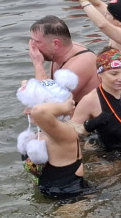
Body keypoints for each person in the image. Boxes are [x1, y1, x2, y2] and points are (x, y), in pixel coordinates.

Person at [16, 70, 89, 199]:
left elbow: (39, 112)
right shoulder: (45, 131)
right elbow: (25, 83)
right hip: (52, 196)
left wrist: (66, 107)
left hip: (72, 200)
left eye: (31, 107)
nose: (25, 112)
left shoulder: (65, 133)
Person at [28, 15, 97, 103]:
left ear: (56, 44)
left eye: (37, 42)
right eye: (32, 40)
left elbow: (48, 104)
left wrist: (38, 64)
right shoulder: (61, 52)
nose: (32, 46)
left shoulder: (79, 65)